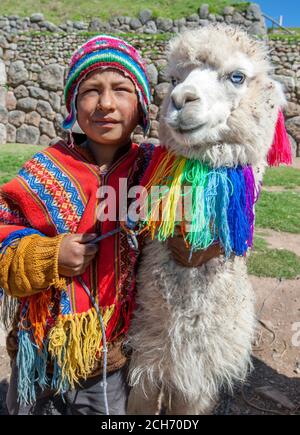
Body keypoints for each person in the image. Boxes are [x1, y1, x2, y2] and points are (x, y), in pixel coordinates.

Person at [0, 34, 221, 415]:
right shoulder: (42, 171)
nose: (105, 103)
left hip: (111, 361)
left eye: (120, 89)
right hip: (38, 355)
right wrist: (49, 255)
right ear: (73, 103)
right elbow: (4, 239)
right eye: (90, 90)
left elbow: (184, 229)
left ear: (141, 107)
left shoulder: (152, 172)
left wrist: (193, 239)